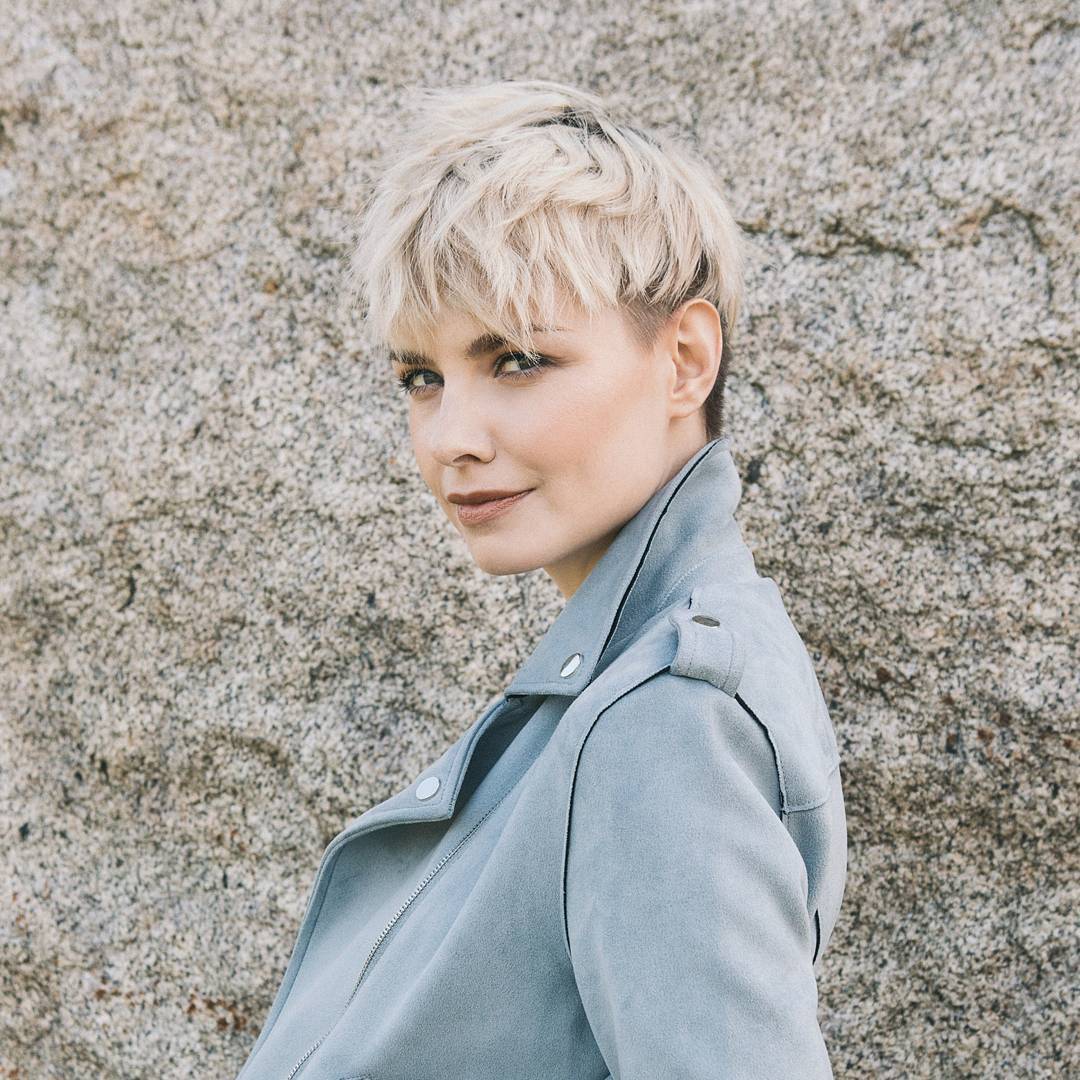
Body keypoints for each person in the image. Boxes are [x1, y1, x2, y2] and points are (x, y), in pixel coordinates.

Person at [235, 78, 847, 1080]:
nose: (451, 438)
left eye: (516, 360)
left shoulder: (666, 719)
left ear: (684, 359)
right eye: (421, 377)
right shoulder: (622, 683)